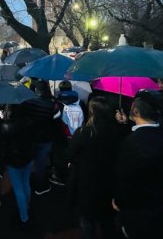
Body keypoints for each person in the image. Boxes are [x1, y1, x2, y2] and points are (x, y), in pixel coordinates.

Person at [113, 95, 163, 239]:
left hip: (137, 213)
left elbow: (125, 179)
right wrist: (127, 124)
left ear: (135, 111)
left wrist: (118, 201)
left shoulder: (130, 143)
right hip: (162, 205)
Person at [65, 97, 118, 239]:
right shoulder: (116, 131)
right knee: (107, 222)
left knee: (87, 224)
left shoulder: (83, 133)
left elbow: (69, 154)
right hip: (108, 183)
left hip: (86, 184)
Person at [0, 104, 36, 227]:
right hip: (28, 158)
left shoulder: (5, 126)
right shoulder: (29, 122)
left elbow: (3, 146)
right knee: (26, 182)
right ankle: (27, 206)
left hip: (13, 162)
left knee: (18, 189)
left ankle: (24, 217)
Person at [23, 80, 58, 195]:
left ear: (36, 91)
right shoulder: (52, 104)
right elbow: (55, 119)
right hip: (46, 138)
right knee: (40, 162)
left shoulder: (29, 102)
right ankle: (40, 186)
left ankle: (27, 183)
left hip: (32, 137)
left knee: (29, 161)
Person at [50, 90, 84, 186]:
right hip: (77, 136)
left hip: (68, 137)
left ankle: (62, 177)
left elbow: (64, 125)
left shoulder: (66, 109)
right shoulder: (79, 108)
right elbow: (82, 123)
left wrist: (67, 136)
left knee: (65, 157)